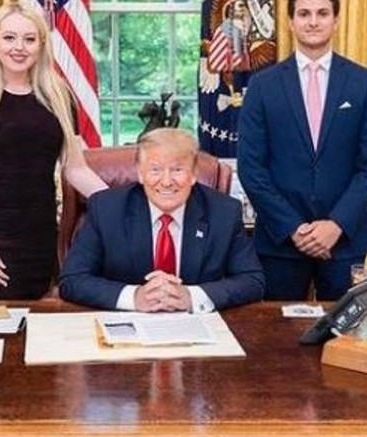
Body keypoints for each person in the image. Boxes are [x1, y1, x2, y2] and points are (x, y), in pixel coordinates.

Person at [0, 2, 107, 300]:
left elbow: (75, 169)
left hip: (40, 237)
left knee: (36, 321)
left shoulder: (59, 96)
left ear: (41, 45)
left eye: (29, 39)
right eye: (9, 38)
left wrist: (120, 206)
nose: (19, 47)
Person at [237, 0, 367, 301]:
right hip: (280, 239)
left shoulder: (363, 83)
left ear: (336, 21)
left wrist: (336, 224)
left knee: (345, 327)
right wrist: (293, 228)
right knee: (277, 327)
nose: (313, 21)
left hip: (344, 238)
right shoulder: (263, 86)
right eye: (304, 14)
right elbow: (251, 167)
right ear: (290, 22)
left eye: (322, 13)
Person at [59, 128, 264, 312]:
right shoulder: (106, 209)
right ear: (140, 173)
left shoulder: (224, 212)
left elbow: (252, 281)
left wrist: (191, 297)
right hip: (127, 326)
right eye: (155, 170)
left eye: (177, 170)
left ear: (193, 174)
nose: (166, 182)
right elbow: (72, 280)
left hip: (195, 327)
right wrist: (134, 297)